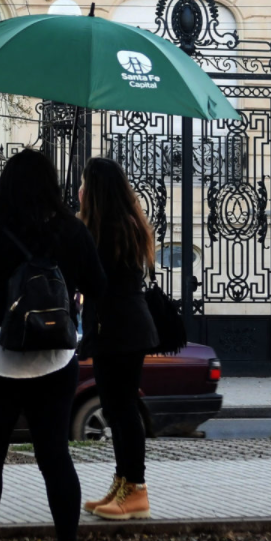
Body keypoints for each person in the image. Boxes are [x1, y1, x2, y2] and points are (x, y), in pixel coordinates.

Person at [0, 149, 107, 541]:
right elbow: (100, 287)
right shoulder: (73, 230)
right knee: (55, 457)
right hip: (55, 358)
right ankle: (67, 540)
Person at [78, 157, 159, 520]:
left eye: (83, 183)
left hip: (121, 329)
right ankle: (123, 482)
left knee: (123, 409)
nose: (78, 190)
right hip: (120, 328)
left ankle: (135, 489)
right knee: (114, 407)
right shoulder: (118, 224)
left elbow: (95, 281)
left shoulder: (109, 229)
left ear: (95, 189)